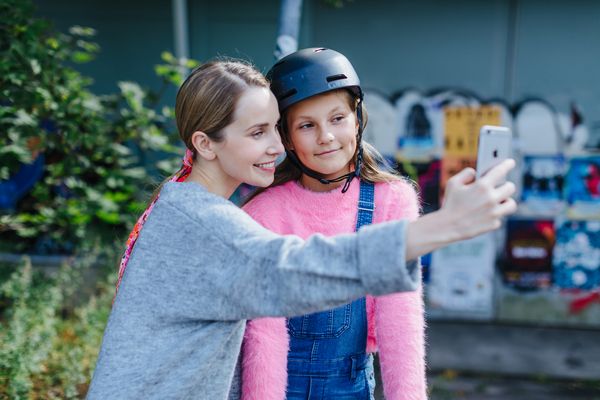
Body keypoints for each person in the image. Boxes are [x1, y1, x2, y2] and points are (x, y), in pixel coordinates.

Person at [87, 59, 516, 400]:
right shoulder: (206, 226)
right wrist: (439, 227)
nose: (277, 146)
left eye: (275, 128)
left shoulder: (183, 209)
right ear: (204, 144)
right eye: (258, 132)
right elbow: (292, 272)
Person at [241, 47, 425, 400]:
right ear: (287, 138)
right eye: (307, 125)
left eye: (337, 118)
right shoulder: (264, 212)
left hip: (353, 388)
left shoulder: (392, 200)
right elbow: (262, 336)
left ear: (358, 119)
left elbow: (401, 318)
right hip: (280, 388)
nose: (326, 136)